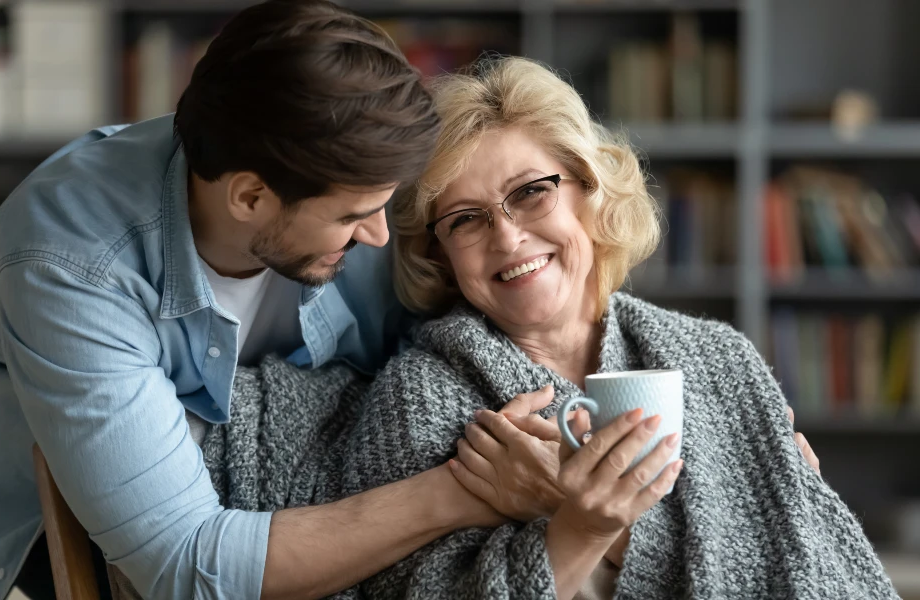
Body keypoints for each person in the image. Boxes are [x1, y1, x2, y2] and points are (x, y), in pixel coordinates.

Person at [203, 57, 881, 600]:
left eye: (531, 192)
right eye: (466, 219)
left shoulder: (718, 360)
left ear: (590, 189)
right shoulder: (421, 399)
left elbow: (818, 565)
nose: (507, 237)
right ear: (439, 255)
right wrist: (580, 530)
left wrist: (627, 525)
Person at [0, 3, 544, 599]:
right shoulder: (71, 269)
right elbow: (188, 568)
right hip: (66, 540)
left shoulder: (336, 166)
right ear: (249, 198)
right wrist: (462, 489)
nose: (380, 236)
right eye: (352, 217)